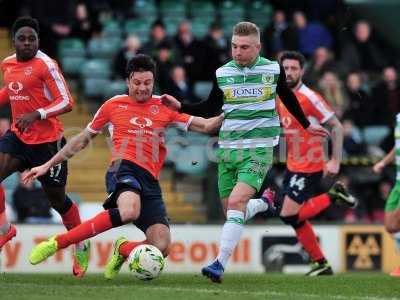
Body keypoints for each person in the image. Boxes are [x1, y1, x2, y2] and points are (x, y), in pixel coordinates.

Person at [24, 54, 223, 279]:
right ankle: (58, 242)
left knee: (162, 246)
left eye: (147, 83)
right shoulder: (112, 105)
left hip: (150, 180)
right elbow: (82, 139)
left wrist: (233, 114)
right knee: (129, 211)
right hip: (123, 168)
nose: (142, 88)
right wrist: (47, 164)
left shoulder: (164, 106)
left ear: (153, 82)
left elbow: (207, 126)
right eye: (137, 83)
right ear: (128, 81)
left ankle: (124, 249)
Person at [161, 22, 329, 283]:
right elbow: (208, 108)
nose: (237, 52)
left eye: (243, 47)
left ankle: (219, 264)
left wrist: (307, 126)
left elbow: (288, 97)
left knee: (237, 203)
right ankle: (264, 203)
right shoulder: (223, 73)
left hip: (259, 150)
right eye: (234, 46)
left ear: (257, 47)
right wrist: (180, 105)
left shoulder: (272, 70)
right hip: (228, 150)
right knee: (232, 211)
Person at [0, 16, 89, 277]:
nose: (27, 43)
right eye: (22, 39)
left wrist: (37, 114)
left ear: (38, 41)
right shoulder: (8, 63)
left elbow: (67, 102)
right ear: (14, 40)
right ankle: (6, 229)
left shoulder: (47, 65)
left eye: (32, 39)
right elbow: (12, 90)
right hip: (19, 137)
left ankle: (80, 244)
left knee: (58, 201)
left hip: (48, 144)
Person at [264, 51, 357, 276]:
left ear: (302, 71)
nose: (289, 73)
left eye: (294, 69)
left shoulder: (310, 97)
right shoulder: (279, 96)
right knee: (295, 220)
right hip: (293, 165)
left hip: (310, 165)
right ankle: (321, 263)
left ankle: (333, 195)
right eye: (285, 68)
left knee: (287, 215)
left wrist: (335, 160)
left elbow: (336, 126)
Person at [372, 113, 400, 276]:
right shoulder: (398, 117)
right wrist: (383, 162)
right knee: (390, 226)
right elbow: (398, 146)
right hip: (398, 182)